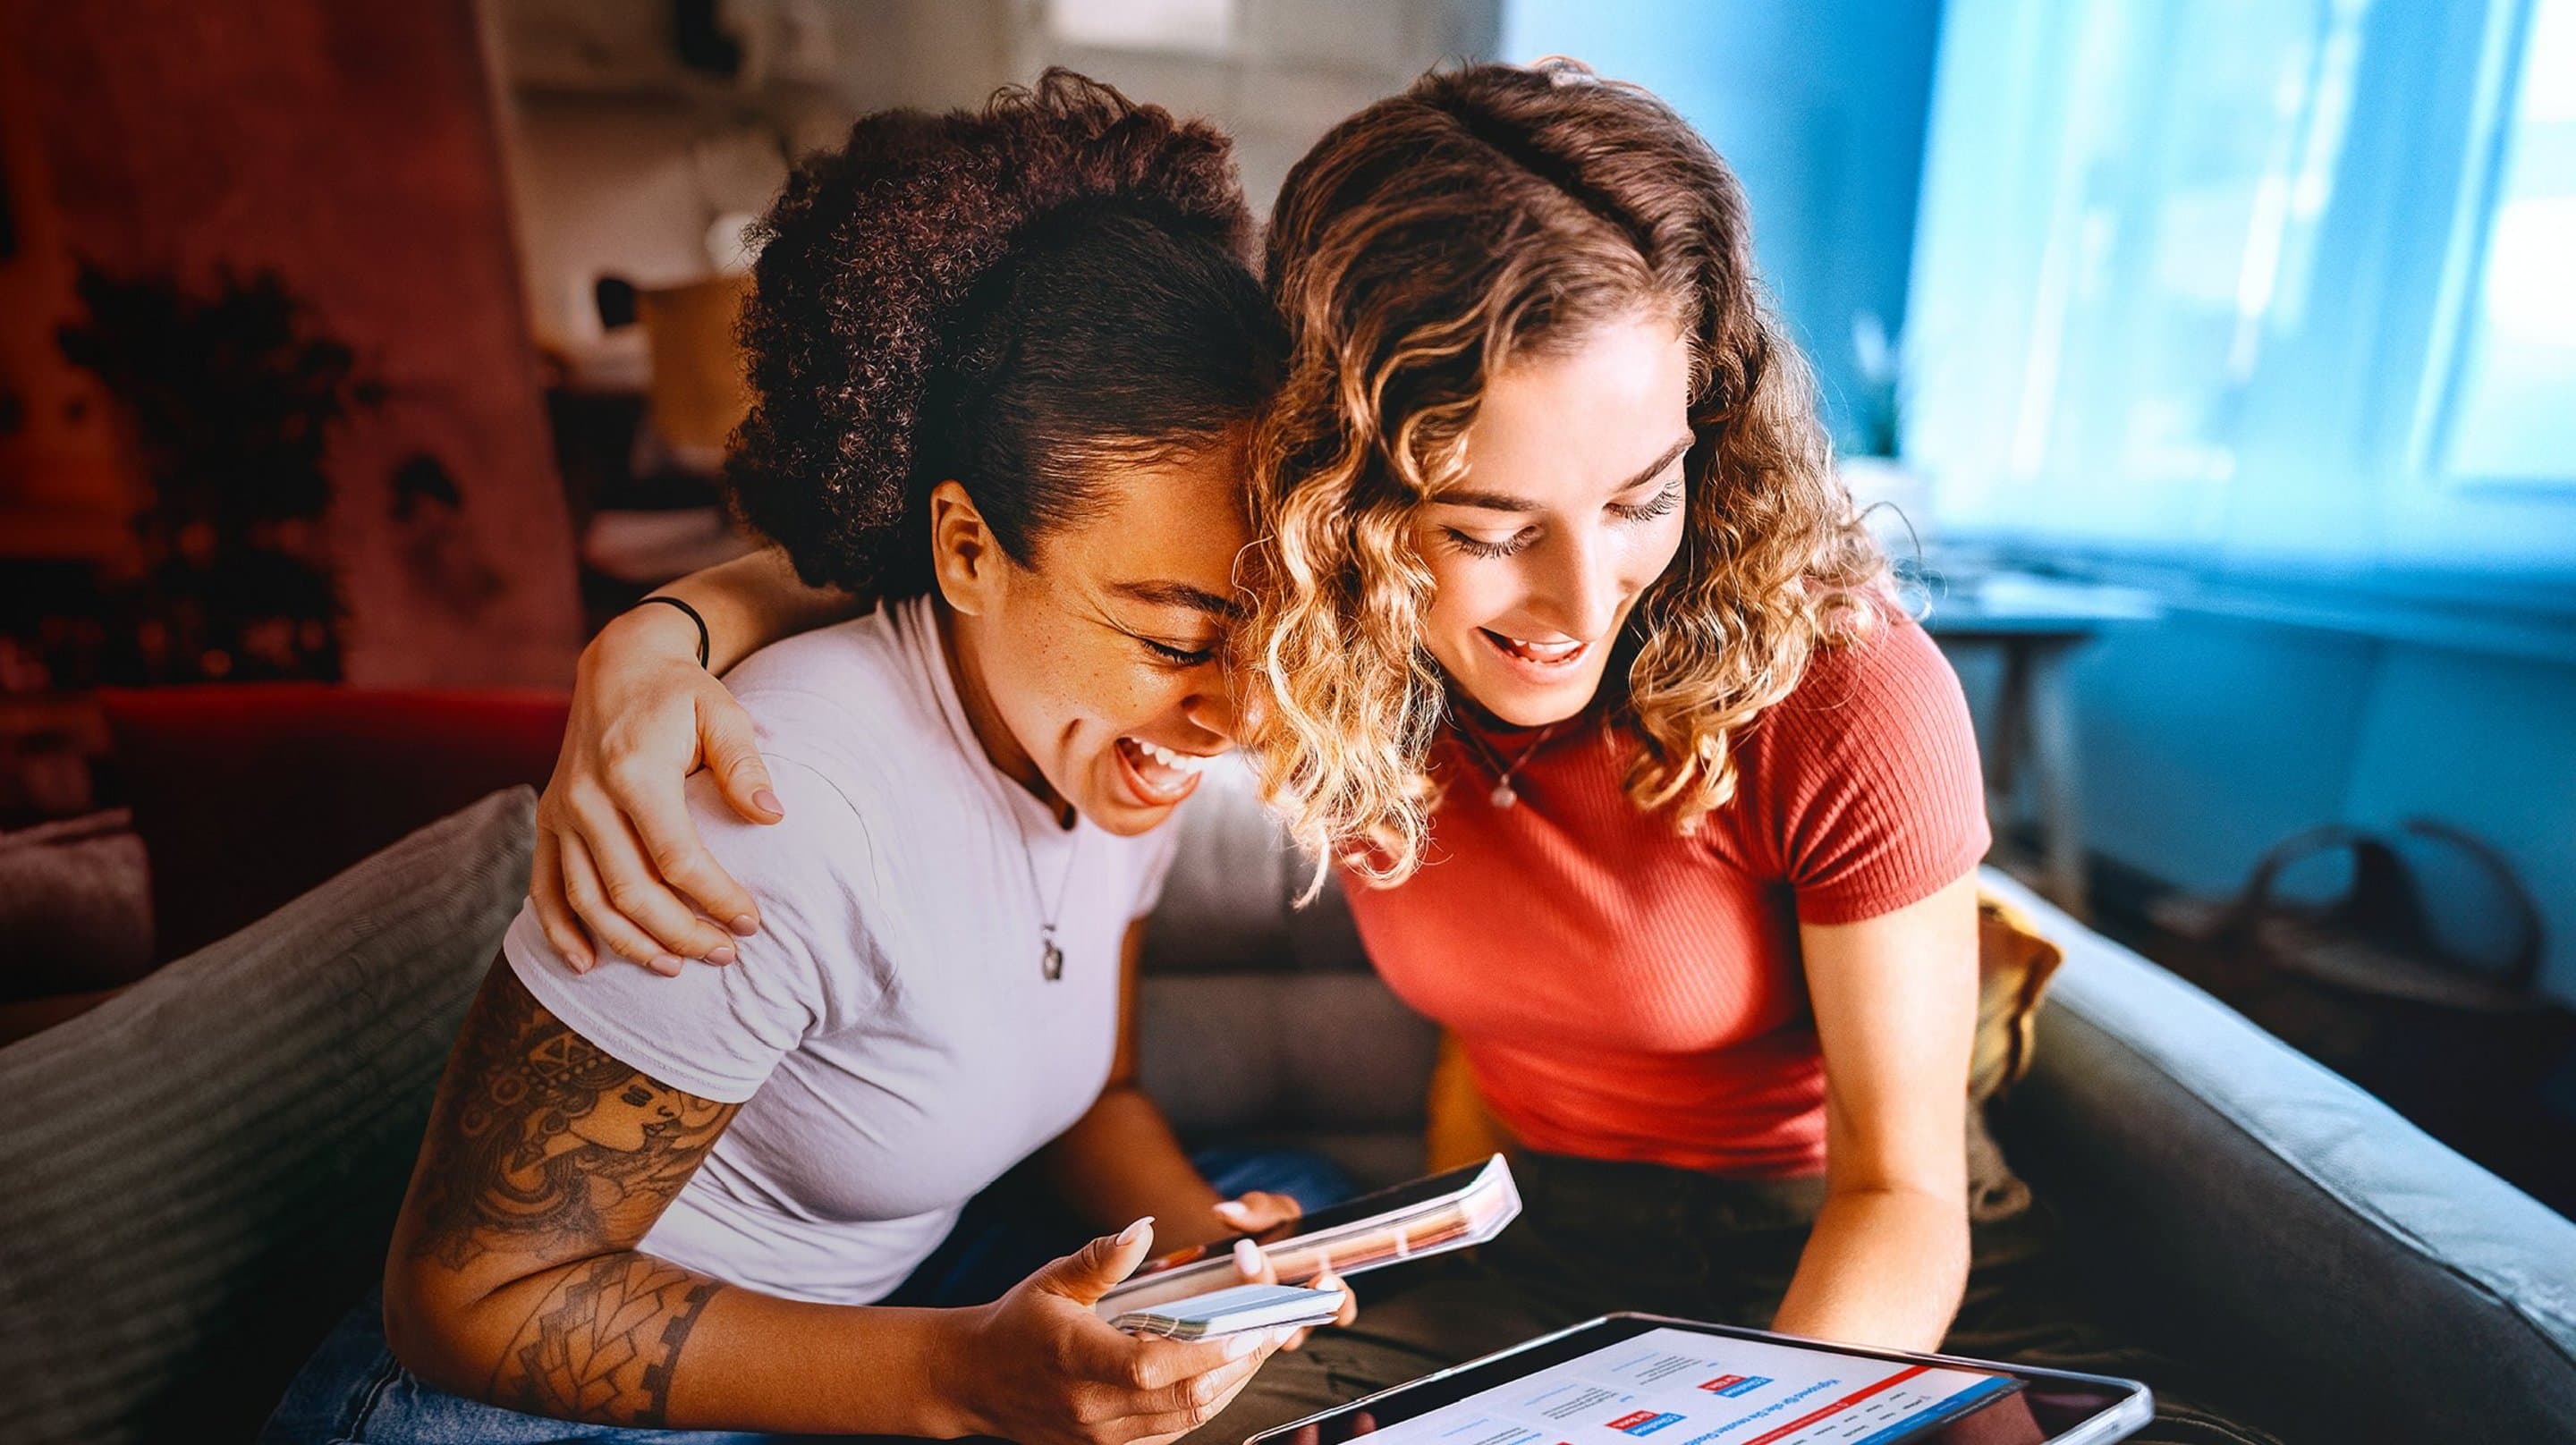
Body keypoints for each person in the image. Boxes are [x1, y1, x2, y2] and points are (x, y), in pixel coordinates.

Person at [530, 61, 2280, 1445]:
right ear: (1346, 493)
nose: (1574, 603)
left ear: (1710, 432)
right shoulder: (1313, 627)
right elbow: (976, 556)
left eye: (1639, 495)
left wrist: (1762, 1430)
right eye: (1484, 520)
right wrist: (667, 630)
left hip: (1848, 1261)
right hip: (1524, 1253)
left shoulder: (1839, 684)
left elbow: (1904, 1197)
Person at [261, 72, 1351, 1445]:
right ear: (964, 550)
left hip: (877, 1304)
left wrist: (1217, 1264)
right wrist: (962, 1384)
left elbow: (1095, 1091)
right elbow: (467, 1301)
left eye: (1276, 638)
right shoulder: (773, 799)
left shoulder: (1112, 747)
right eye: (1178, 639)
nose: (1241, 717)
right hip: (524, 1405)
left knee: (1304, 1206)